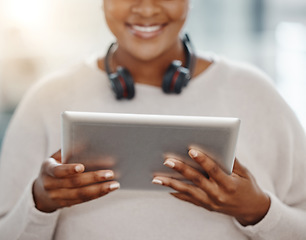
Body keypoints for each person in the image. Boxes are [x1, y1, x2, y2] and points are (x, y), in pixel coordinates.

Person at [0, 0, 306, 239]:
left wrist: (258, 211)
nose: (146, 9)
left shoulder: (254, 93)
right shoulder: (48, 98)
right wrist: (40, 202)